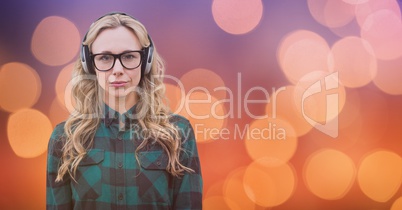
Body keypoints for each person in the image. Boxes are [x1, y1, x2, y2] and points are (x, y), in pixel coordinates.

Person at [46, 12, 202, 210]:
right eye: (105, 58)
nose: (117, 69)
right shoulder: (64, 139)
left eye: (128, 56)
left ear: (145, 61)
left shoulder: (179, 133)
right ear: (90, 64)